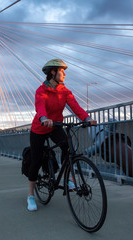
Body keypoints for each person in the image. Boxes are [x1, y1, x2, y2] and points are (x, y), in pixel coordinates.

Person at [27, 59, 97, 211]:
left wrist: (87, 118)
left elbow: (76, 107)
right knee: (36, 160)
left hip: (55, 126)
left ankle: (68, 178)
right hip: (40, 127)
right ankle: (31, 195)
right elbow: (40, 107)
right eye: (62, 71)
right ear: (53, 72)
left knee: (67, 147)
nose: (64, 74)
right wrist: (44, 118)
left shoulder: (65, 91)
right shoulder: (41, 91)